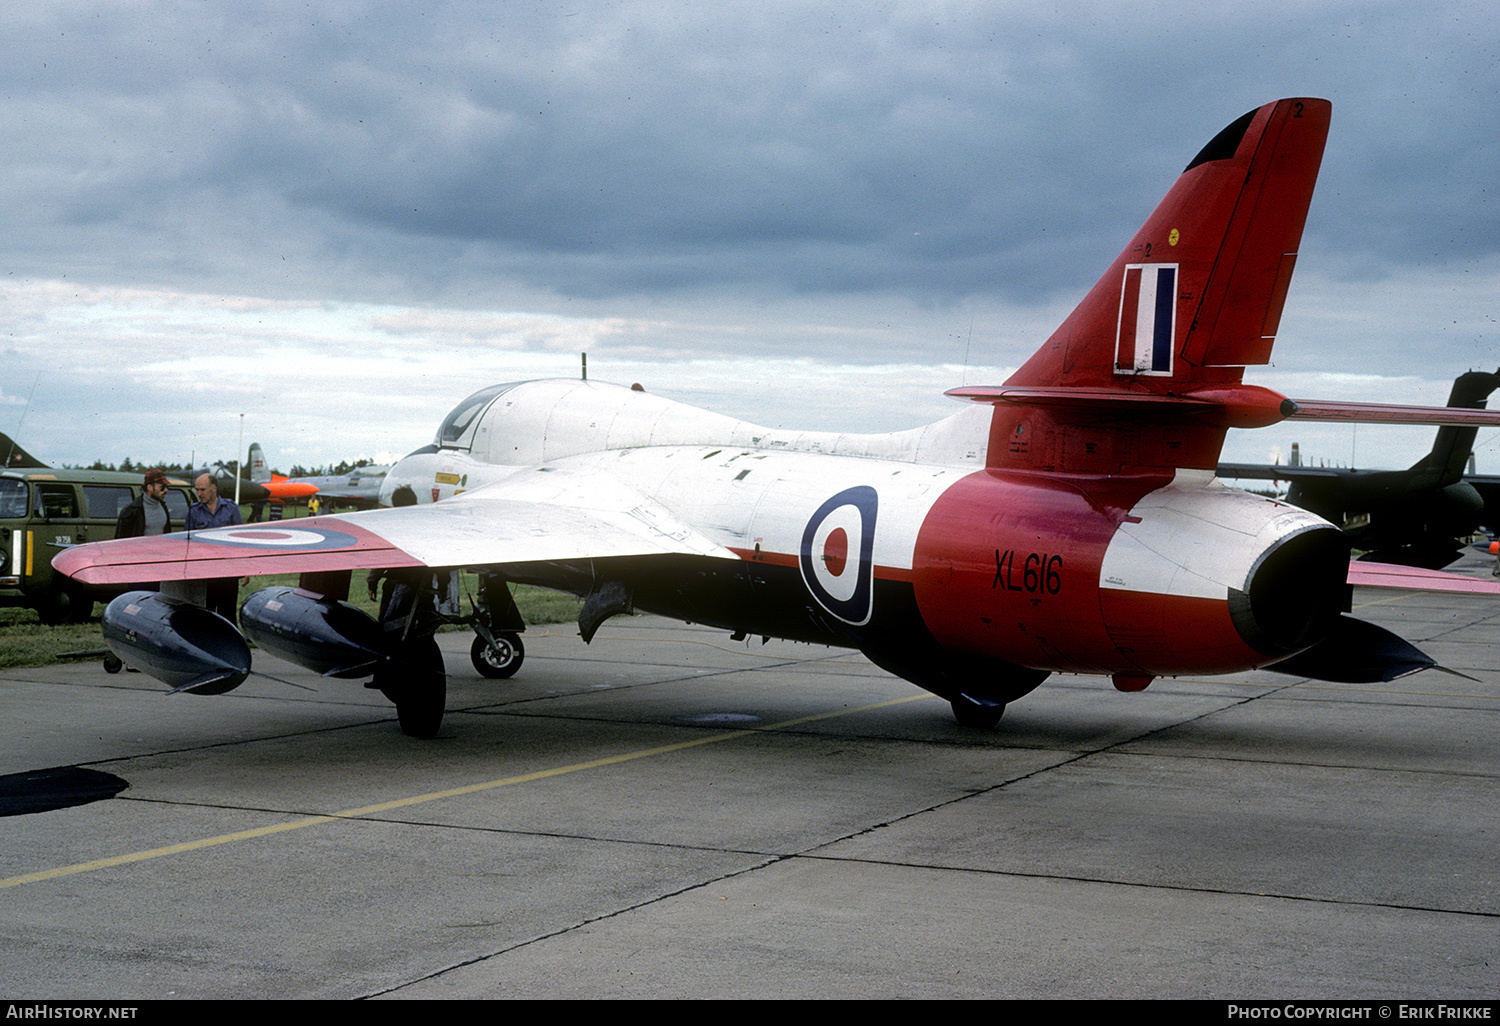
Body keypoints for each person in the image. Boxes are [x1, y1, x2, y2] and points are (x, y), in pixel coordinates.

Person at [187, 473, 244, 621]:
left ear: (214, 489)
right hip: (204, 573)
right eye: (197, 489)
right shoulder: (194, 511)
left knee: (228, 614)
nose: (199, 494)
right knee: (205, 615)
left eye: (202, 490)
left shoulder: (231, 509)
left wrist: (245, 568)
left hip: (227, 571)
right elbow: (187, 544)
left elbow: (241, 540)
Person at [116, 468, 173, 538]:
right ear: (149, 487)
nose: (166, 490)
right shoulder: (131, 511)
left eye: (166, 487)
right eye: (162, 487)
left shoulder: (163, 507)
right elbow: (121, 542)